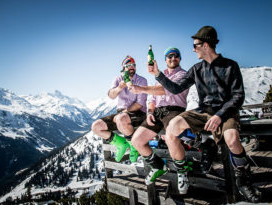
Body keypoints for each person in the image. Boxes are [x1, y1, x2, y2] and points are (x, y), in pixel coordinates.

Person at [147, 26, 260, 202]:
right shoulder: (196, 69)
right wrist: (158, 74)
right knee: (173, 126)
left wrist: (219, 116)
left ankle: (243, 179)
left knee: (231, 139)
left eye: (195, 45)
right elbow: (176, 89)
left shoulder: (230, 66)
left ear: (205, 45)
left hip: (226, 112)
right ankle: (201, 146)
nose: (193, 49)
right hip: (203, 112)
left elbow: (238, 96)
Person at [129, 47, 189, 190]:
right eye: (169, 56)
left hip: (175, 110)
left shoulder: (183, 74)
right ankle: (158, 166)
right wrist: (149, 112)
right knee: (136, 140)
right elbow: (152, 99)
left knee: (171, 138)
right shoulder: (159, 77)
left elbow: (166, 90)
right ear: (165, 59)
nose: (173, 58)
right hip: (158, 112)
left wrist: (141, 88)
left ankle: (182, 171)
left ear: (180, 58)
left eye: (176, 56)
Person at [91, 55, 147, 163]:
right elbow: (111, 95)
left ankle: (134, 148)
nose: (132, 67)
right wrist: (119, 88)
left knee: (121, 119)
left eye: (134, 65)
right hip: (121, 113)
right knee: (96, 126)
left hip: (137, 113)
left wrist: (123, 113)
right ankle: (121, 144)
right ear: (123, 68)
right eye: (129, 65)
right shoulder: (118, 79)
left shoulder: (141, 80)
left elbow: (140, 104)